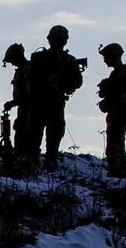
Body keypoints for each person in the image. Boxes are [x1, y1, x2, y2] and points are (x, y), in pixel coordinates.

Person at [25, 25, 84, 171]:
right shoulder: (45, 58)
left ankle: (40, 166)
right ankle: (38, 166)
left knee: (49, 138)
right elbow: (31, 79)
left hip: (49, 103)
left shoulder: (65, 60)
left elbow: (77, 82)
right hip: (43, 102)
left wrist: (65, 83)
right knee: (39, 138)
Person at [95, 42, 126, 177]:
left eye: (106, 57)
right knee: (117, 141)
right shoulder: (119, 74)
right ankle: (119, 170)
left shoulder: (122, 74)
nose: (104, 60)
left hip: (120, 112)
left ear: (113, 56)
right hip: (119, 112)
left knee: (114, 142)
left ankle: (117, 171)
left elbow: (117, 97)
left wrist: (106, 98)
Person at [1, 42, 31, 157]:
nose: (12, 64)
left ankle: (25, 162)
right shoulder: (21, 71)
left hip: (30, 110)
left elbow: (27, 96)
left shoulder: (28, 71)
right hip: (23, 108)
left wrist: (12, 103)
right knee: (19, 133)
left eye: (12, 60)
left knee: (24, 137)